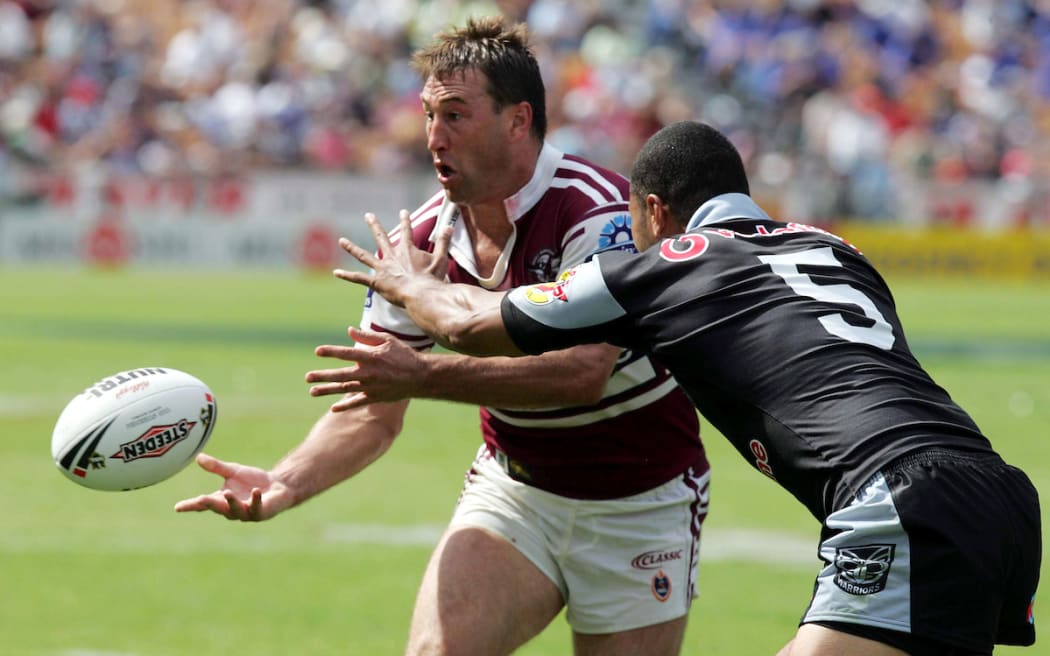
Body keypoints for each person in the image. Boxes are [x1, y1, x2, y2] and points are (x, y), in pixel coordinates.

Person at [327, 120, 1042, 656]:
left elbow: (472, 323)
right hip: (1000, 495)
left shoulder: (671, 262)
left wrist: (407, 283)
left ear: (656, 212)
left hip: (898, 501)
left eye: (637, 225)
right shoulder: (832, 248)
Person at [175, 17, 709, 656]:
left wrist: (426, 375)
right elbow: (373, 411)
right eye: (429, 114)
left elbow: (581, 372)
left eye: (455, 115)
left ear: (519, 120)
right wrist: (286, 481)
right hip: (516, 492)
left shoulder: (595, 212)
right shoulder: (423, 241)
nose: (433, 136)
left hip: (639, 501)